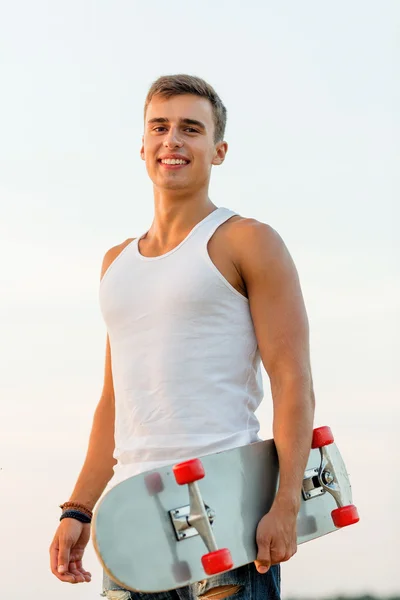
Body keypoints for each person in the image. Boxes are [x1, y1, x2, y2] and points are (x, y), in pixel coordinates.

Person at [49, 74, 315, 600]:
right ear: (143, 145)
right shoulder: (115, 263)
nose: (173, 140)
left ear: (218, 150)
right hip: (132, 526)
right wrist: (79, 508)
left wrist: (286, 503)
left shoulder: (247, 240)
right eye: (160, 127)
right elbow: (115, 402)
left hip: (227, 517)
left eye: (191, 129)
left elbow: (293, 383)